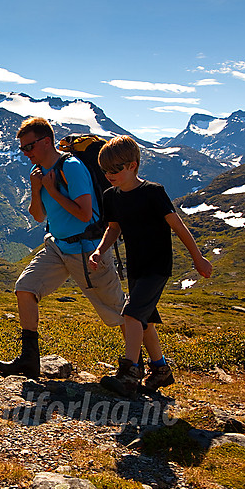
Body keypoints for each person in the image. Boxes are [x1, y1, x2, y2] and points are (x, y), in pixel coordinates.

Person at [0, 117, 125, 379]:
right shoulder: (40, 174)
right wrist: (36, 189)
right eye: (22, 149)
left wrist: (53, 191)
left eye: (29, 147)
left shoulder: (72, 167)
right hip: (57, 246)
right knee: (25, 288)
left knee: (118, 312)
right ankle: (29, 360)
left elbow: (85, 213)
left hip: (86, 250)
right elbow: (38, 216)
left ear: (46, 142)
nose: (26, 154)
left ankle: (148, 365)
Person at [88, 135, 212, 397]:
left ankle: (129, 374)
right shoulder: (111, 196)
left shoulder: (153, 193)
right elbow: (113, 228)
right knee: (144, 322)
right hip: (135, 266)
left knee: (132, 314)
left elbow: (178, 227)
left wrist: (197, 258)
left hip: (157, 266)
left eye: (115, 170)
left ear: (133, 165)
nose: (109, 175)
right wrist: (100, 250)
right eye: (105, 171)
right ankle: (161, 370)